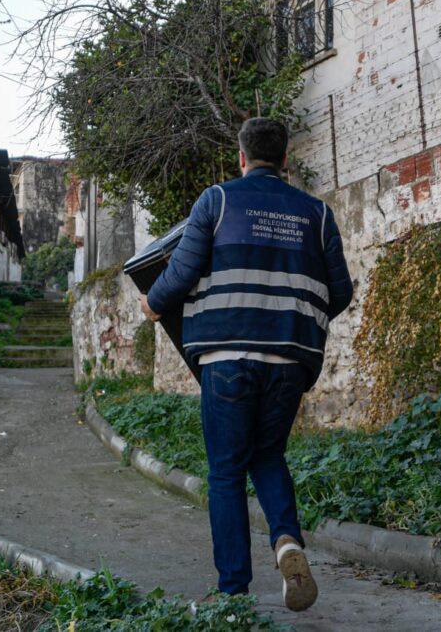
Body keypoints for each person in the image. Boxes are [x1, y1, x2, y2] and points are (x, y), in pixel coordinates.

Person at [138, 117, 353, 611]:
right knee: (268, 456)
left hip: (227, 357)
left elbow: (183, 270)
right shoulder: (317, 214)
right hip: (290, 362)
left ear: (241, 157)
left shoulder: (217, 201)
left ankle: (233, 591)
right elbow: (339, 291)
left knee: (227, 472)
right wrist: (296, 316)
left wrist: (153, 304)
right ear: (284, 160)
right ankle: (287, 542)